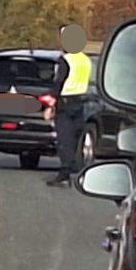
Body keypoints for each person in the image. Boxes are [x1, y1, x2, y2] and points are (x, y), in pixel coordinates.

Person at [45, 22, 94, 186]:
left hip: (66, 104)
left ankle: (64, 174)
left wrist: (50, 105)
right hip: (82, 103)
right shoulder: (85, 60)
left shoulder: (65, 60)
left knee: (65, 139)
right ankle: (77, 173)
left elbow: (59, 82)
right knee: (75, 140)